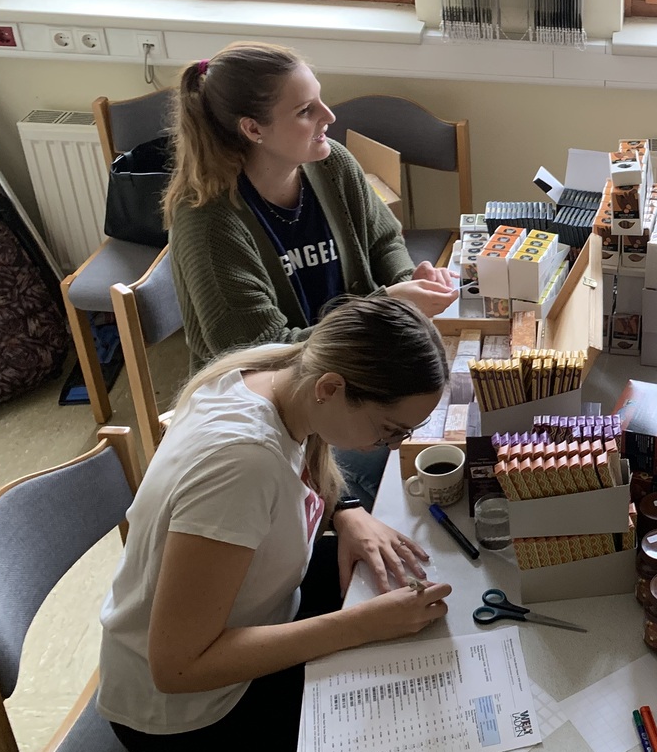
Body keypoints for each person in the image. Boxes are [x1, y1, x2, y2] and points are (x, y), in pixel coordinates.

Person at [97, 296, 452, 752]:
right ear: (331, 387)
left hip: (254, 614)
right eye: (389, 431)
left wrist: (346, 510)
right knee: (407, 722)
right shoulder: (242, 464)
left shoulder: (280, 373)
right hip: (190, 716)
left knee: (406, 598)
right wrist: (358, 626)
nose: (386, 448)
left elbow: (298, 470)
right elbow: (176, 667)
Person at [164, 41, 456, 507]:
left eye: (320, 99)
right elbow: (264, 357)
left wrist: (407, 281)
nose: (329, 116)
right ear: (253, 129)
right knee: (407, 478)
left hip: (343, 381)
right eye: (305, 110)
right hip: (282, 410)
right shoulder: (210, 223)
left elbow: (383, 241)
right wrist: (389, 304)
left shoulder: (331, 164)